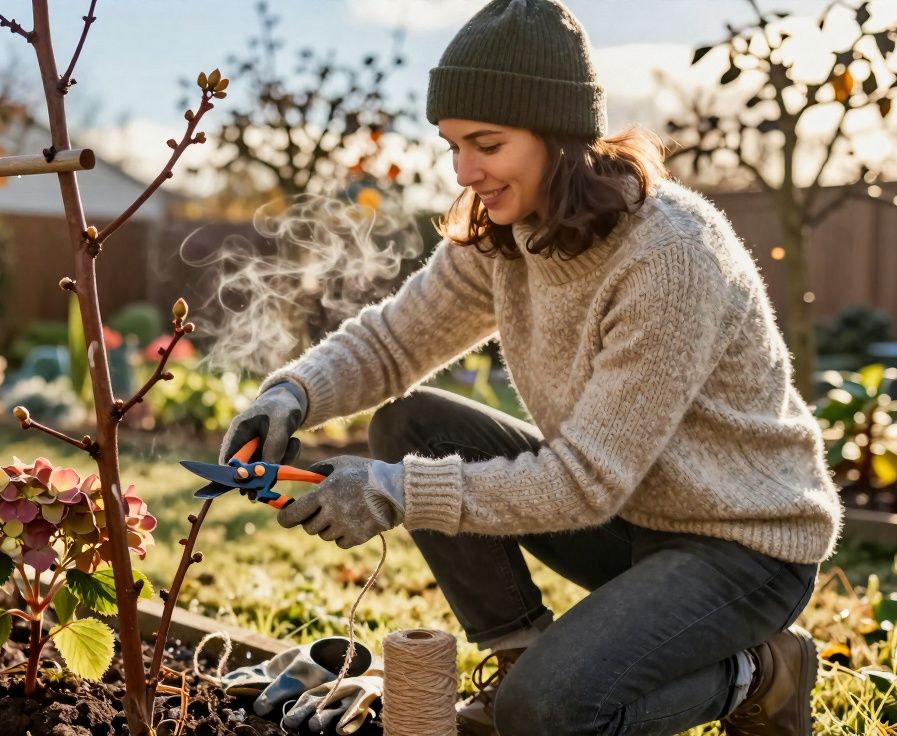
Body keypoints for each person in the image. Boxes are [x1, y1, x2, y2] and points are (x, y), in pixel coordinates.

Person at [217, 1, 843, 734]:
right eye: (452, 145)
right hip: (634, 521)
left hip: (744, 548)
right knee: (410, 422)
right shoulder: (509, 234)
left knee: (544, 713)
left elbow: (583, 481)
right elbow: (394, 343)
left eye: (485, 143)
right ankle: (518, 651)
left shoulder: (669, 257)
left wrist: (390, 494)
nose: (463, 170)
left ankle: (758, 671)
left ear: (560, 135)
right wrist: (292, 393)